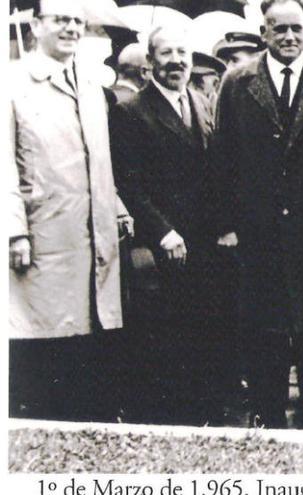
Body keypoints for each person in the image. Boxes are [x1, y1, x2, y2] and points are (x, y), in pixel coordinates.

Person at [210, 0, 303, 429]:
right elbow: (223, 158)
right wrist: (228, 226)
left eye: (297, 28)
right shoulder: (237, 83)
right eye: (280, 29)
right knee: (264, 333)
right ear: (264, 31)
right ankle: (268, 418)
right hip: (260, 234)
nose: (290, 37)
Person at [8, 0, 128, 422]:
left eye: (78, 21)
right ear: (37, 25)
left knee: (90, 333)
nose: (71, 28)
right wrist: (14, 231)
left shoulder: (92, 84)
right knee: (45, 335)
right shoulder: (13, 83)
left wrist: (117, 206)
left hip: (92, 233)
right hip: (44, 233)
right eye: (61, 20)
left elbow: (100, 161)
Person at [109, 26, 221, 426]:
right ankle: (173, 420)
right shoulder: (131, 111)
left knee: (207, 331)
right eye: (167, 54)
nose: (177, 60)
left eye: (183, 52)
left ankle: (207, 419)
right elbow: (129, 182)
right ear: (149, 63)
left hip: (207, 241)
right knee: (168, 338)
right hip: (165, 245)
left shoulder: (204, 101)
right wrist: (162, 231)